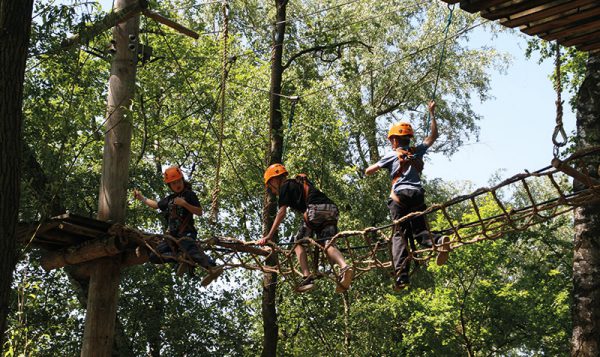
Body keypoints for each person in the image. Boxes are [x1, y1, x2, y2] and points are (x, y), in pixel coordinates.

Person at [365, 101, 450, 291]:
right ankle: (437, 240)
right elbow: (433, 136)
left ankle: (401, 277)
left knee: (400, 235)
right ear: (408, 138)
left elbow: (368, 171)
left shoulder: (392, 154)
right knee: (420, 231)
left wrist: (378, 165)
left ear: (395, 140)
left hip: (399, 198)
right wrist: (432, 113)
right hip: (417, 194)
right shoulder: (416, 151)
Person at [257, 164, 354, 293]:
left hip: (315, 209)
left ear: (275, 180)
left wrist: (269, 236)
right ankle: (344, 267)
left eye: (270, 186)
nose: (272, 190)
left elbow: (282, 212)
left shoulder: (285, 186)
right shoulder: (298, 184)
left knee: (298, 243)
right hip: (332, 209)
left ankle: (307, 276)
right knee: (328, 244)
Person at [133, 166, 222, 286]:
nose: (177, 184)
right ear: (170, 186)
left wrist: (184, 204)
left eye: (178, 181)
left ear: (182, 180)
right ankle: (180, 257)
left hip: (186, 233)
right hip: (172, 237)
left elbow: (199, 212)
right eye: (173, 183)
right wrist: (142, 198)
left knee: (191, 249)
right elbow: (156, 205)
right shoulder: (170, 199)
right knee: (155, 256)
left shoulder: (189, 195)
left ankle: (212, 267)